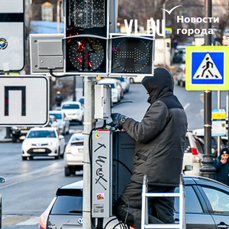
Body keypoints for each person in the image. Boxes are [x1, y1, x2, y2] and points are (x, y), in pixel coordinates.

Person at [111, 67, 187, 229]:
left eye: (149, 89)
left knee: (123, 207)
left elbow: (142, 132)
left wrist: (123, 120)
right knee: (166, 220)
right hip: (170, 176)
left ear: (157, 87)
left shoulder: (161, 106)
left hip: (151, 173)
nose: (147, 94)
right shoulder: (178, 108)